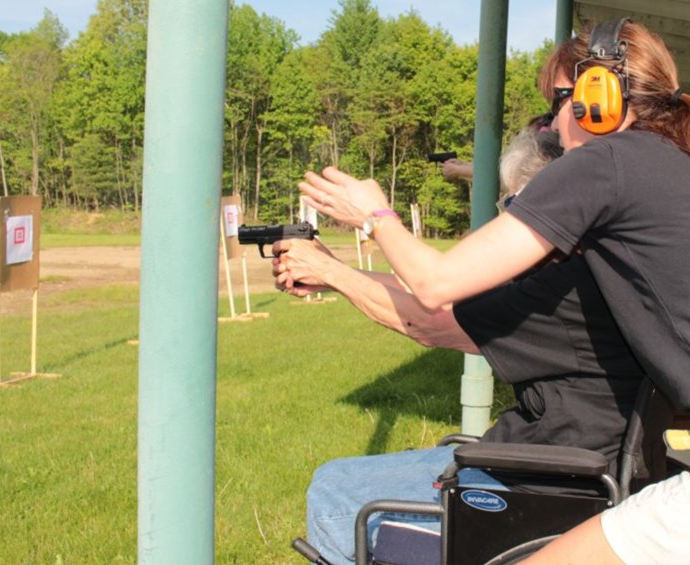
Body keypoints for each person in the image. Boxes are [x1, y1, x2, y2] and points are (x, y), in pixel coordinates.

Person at [290, 18, 690, 565]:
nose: (550, 128)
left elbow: (434, 286)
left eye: (557, 104)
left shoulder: (610, 159)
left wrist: (375, 216)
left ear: (599, 98)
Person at [274, 125, 658, 564]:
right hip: (551, 470)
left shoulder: (562, 295)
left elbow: (430, 321)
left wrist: (363, 235)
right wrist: (332, 272)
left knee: (336, 496)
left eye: (515, 207)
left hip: (538, 487)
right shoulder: (590, 275)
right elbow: (444, 295)